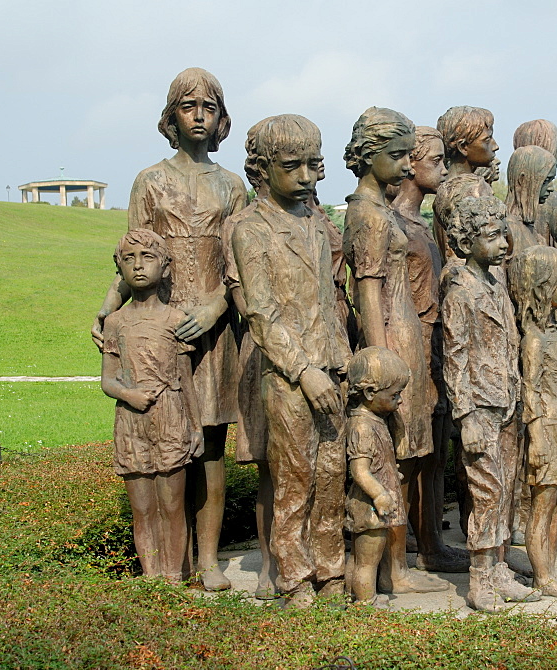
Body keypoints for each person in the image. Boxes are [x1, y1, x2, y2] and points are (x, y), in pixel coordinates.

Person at [92, 68, 246, 590]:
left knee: (211, 442)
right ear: (171, 116)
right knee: (165, 439)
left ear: (221, 117)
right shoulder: (150, 181)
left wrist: (216, 305)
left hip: (213, 326)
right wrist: (107, 308)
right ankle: (168, 565)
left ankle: (207, 560)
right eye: (188, 106)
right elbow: (130, 251)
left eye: (209, 106)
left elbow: (240, 262)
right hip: (156, 330)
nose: (199, 115)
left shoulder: (232, 185)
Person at [230, 114, 350, 608]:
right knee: (295, 482)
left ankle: (331, 571)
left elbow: (327, 299)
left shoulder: (316, 223)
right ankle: (295, 579)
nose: (307, 177)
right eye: (292, 166)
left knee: (332, 479)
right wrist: (304, 370)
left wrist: (340, 360)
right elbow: (261, 312)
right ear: (262, 169)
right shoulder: (250, 230)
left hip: (332, 368)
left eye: (314, 165)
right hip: (289, 377)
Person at [342, 107, 449, 595]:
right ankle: (394, 571)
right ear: (369, 157)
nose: (408, 166)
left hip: (405, 330)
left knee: (407, 455)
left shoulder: (383, 211)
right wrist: (383, 364)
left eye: (411, 155)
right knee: (395, 459)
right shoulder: (365, 215)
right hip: (391, 337)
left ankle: (398, 566)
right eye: (398, 155)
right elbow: (367, 295)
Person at [442, 194, 541, 611]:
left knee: (505, 492)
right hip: (479, 407)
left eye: (504, 234)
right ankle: (479, 579)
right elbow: (455, 355)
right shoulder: (460, 292)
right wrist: (464, 414)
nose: (503, 243)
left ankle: (500, 568)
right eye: (492, 236)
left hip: (507, 403)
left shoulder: (496, 282)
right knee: (486, 491)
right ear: (466, 244)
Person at [101, 229, 203, 583]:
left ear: (165, 265)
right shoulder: (115, 323)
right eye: (129, 260)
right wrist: (128, 395)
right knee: (142, 508)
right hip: (131, 423)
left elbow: (186, 379)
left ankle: (174, 576)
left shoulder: (176, 320)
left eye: (147, 258)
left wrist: (197, 427)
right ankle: (151, 577)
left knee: (173, 505)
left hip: (171, 417)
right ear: (120, 269)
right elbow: (107, 380)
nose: (138, 267)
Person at [391, 125, 468, 573]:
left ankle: (432, 541)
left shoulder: (423, 222)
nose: (442, 168)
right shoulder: (394, 223)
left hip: (435, 346)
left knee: (436, 453)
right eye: (435, 160)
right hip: (411, 347)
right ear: (410, 163)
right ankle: (401, 552)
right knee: (409, 454)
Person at [508, 246, 557, 598]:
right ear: (543, 287)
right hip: (546, 429)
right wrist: (537, 437)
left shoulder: (556, 333)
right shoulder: (534, 340)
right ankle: (542, 576)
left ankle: (550, 568)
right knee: (542, 504)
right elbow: (529, 388)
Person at [343, 346, 418, 607]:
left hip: (375, 502)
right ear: (370, 392)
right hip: (370, 506)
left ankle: (353, 594)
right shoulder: (362, 427)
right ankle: (366, 601)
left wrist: (388, 471)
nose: (400, 401)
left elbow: (376, 462)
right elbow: (360, 471)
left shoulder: (374, 420)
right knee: (366, 559)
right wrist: (379, 493)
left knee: (360, 556)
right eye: (395, 394)